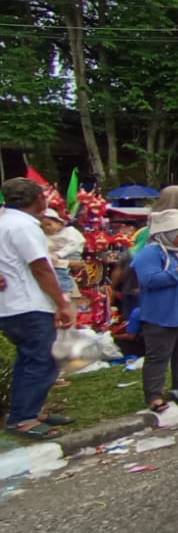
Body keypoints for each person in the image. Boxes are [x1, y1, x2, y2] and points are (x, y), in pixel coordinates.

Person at [0, 178, 77, 437]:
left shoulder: (4, 221)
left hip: (10, 304)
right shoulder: (24, 226)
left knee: (29, 359)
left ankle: (27, 411)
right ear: (39, 200)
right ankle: (23, 418)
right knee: (42, 360)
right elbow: (41, 267)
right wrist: (62, 302)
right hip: (28, 303)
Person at [130, 208, 178, 428]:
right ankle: (154, 396)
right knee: (158, 356)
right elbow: (149, 280)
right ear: (165, 232)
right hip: (161, 314)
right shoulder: (151, 253)